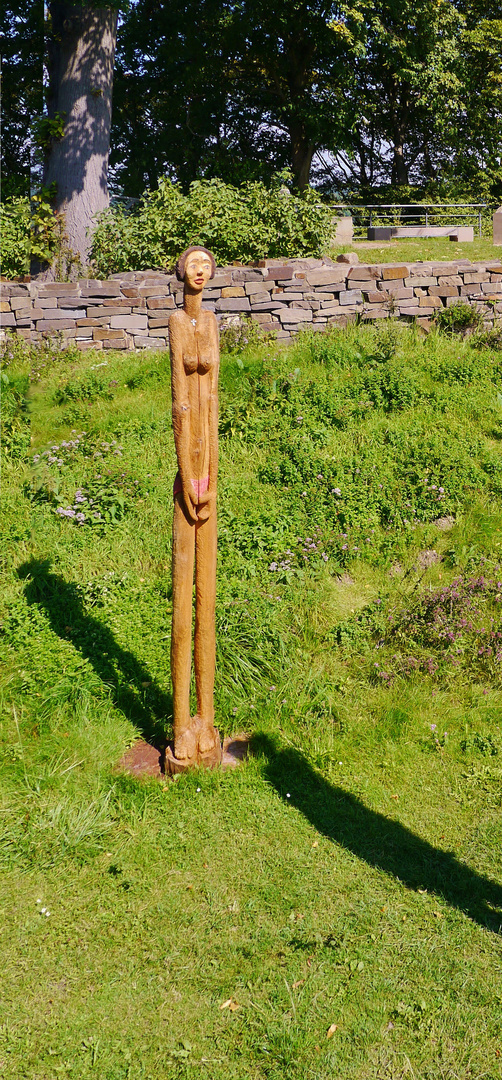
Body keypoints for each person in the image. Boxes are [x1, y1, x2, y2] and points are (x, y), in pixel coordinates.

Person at [167, 245, 222, 773]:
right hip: (189, 471)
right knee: (184, 607)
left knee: (208, 602)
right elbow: (181, 401)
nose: (201, 270)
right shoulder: (177, 324)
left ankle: (208, 719)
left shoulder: (213, 324)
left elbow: (214, 399)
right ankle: (182, 723)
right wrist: (188, 475)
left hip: (212, 468)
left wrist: (213, 473)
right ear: (181, 271)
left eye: (208, 263)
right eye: (193, 262)